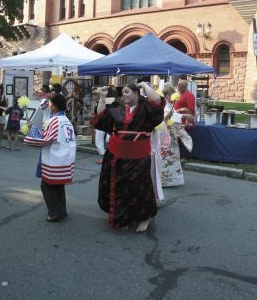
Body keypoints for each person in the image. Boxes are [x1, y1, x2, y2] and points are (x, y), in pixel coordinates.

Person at [91, 82, 165, 233]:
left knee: (139, 186)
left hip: (138, 155)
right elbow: (101, 117)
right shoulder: (117, 110)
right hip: (116, 154)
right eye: (122, 92)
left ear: (136, 93)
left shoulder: (146, 109)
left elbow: (157, 101)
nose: (123, 95)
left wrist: (145, 85)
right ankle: (123, 217)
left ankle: (144, 217)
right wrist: (103, 97)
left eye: (126, 92)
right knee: (120, 187)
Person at [24, 94, 76, 222]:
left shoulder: (54, 120)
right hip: (65, 157)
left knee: (47, 185)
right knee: (58, 185)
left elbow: (46, 139)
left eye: (50, 103)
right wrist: (34, 128)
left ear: (54, 105)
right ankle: (61, 211)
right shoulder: (66, 119)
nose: (49, 105)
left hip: (55, 158)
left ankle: (55, 213)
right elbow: (50, 136)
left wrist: (31, 134)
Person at [160, 83, 193, 187]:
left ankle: (171, 179)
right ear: (167, 94)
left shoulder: (168, 104)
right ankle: (166, 180)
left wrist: (180, 111)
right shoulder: (165, 105)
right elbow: (170, 117)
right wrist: (185, 115)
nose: (172, 96)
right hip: (166, 135)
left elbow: (172, 115)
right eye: (171, 94)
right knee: (167, 158)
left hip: (170, 135)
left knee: (171, 157)